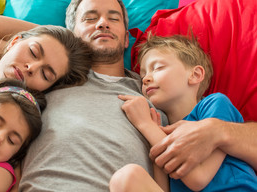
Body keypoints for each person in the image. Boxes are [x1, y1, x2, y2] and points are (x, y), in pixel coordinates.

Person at [0, 0, 257, 191]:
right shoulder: (45, 77)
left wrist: (219, 131)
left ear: (126, 38)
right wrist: (59, 40)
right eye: (90, 18)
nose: (102, 23)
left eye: (113, 18)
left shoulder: (156, 87)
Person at [109, 34, 257, 192]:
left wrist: (145, 125)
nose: (145, 79)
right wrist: (155, 133)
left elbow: (198, 178)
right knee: (126, 178)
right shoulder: (160, 130)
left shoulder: (214, 104)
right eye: (143, 75)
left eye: (158, 68)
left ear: (195, 75)